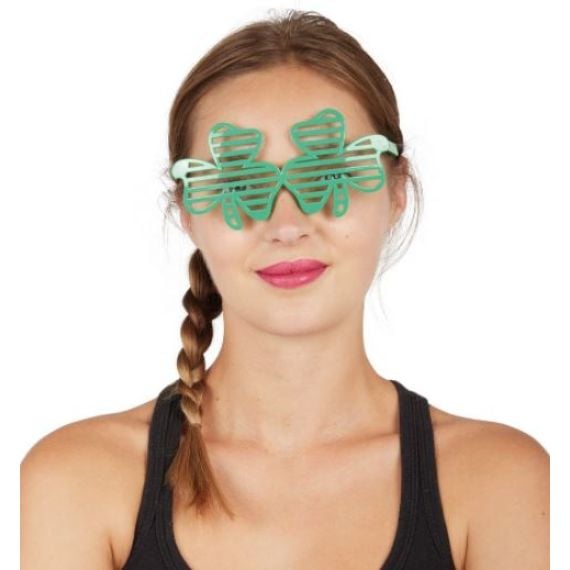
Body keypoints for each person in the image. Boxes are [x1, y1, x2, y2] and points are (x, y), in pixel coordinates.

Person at [20, 9, 549, 570]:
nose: (287, 223)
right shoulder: (73, 483)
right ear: (187, 210)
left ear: (396, 189)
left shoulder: (504, 482)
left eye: (328, 173)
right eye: (239, 182)